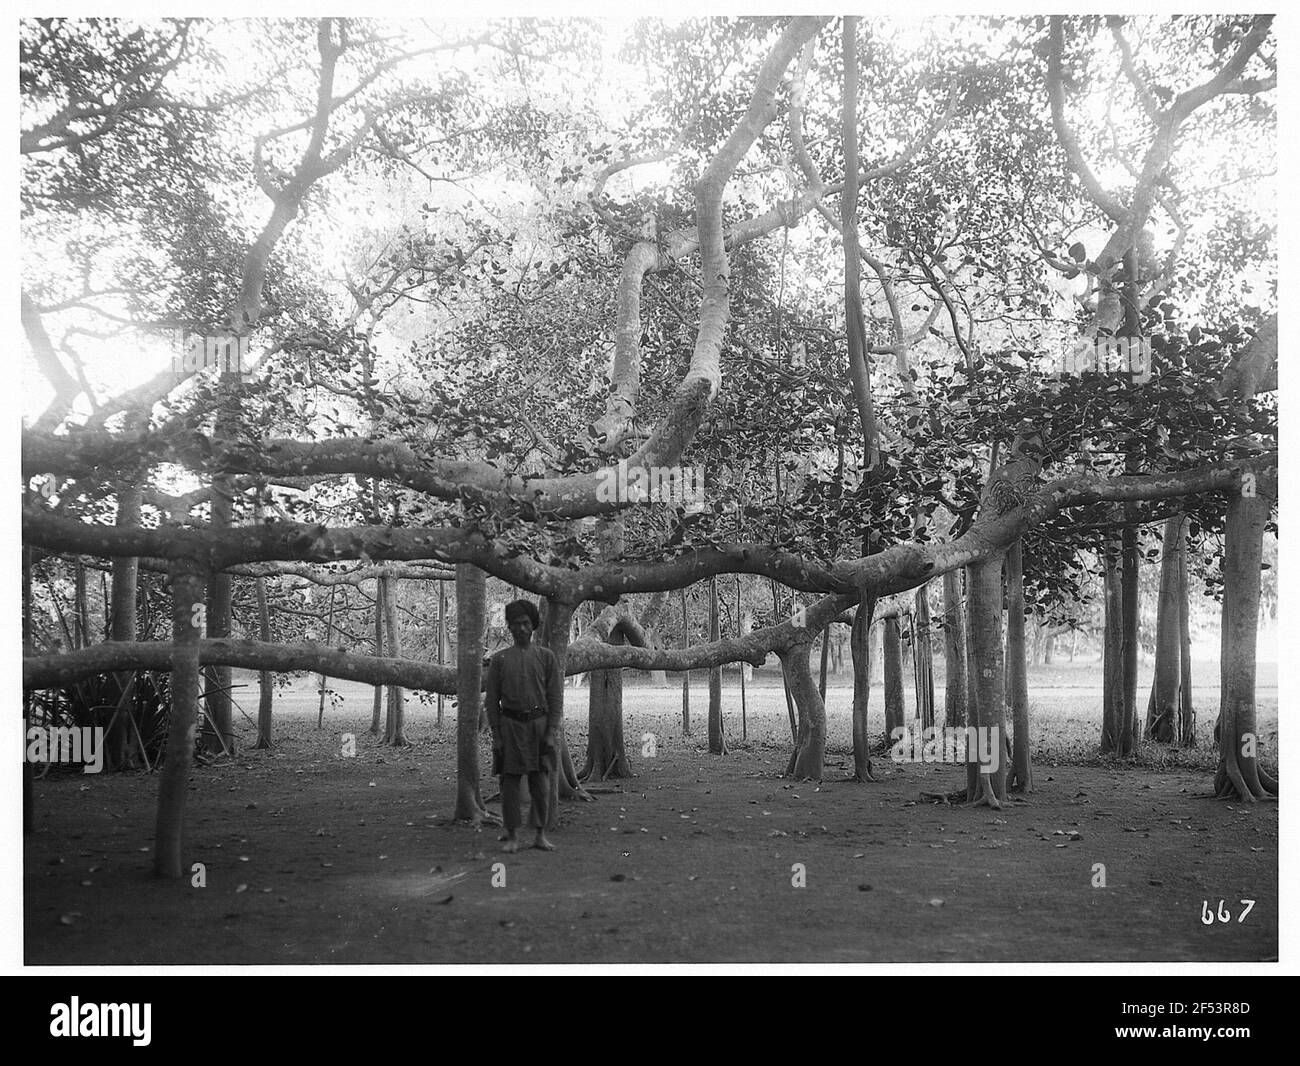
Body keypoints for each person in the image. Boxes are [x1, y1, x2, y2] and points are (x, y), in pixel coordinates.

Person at [484, 599, 562, 853]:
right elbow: (491, 701)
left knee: (541, 783)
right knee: (509, 784)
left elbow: (554, 697)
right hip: (510, 727)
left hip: (539, 727)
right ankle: (512, 835)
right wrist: (496, 734)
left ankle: (539, 834)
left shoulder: (546, 657)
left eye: (525, 623)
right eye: (515, 624)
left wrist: (551, 731)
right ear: (509, 627)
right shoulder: (500, 660)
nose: (521, 628)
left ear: (533, 626)